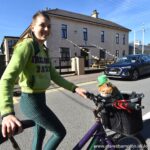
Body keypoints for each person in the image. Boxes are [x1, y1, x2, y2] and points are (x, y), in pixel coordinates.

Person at [0, 11, 87, 150]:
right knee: (59, 132)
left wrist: (74, 88)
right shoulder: (26, 46)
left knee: (40, 132)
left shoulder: (43, 50)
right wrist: (7, 113)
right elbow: (6, 79)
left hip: (41, 98)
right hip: (31, 101)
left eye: (49, 26)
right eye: (42, 25)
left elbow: (54, 75)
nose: (46, 29)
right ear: (32, 27)